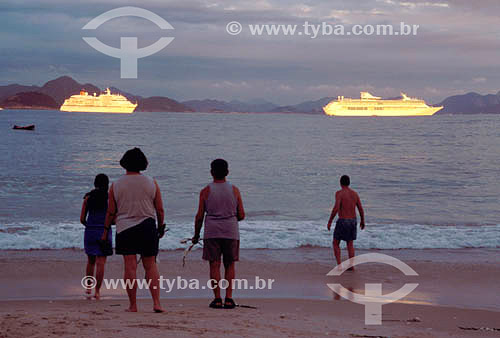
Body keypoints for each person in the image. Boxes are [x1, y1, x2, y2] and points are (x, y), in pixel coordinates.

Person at [101, 148, 166, 313]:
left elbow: (111, 212)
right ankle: (157, 303)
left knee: (130, 267)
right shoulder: (152, 182)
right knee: (150, 266)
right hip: (148, 226)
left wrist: (105, 230)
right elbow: (159, 209)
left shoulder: (116, 185)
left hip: (125, 228)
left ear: (124, 163)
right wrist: (160, 226)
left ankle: (133, 305)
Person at [192, 159, 245, 309]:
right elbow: (241, 214)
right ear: (227, 172)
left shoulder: (205, 191)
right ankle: (229, 298)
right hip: (231, 231)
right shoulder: (234, 190)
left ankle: (217, 298)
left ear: (211, 172)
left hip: (212, 232)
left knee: (214, 265)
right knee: (230, 265)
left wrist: (196, 235)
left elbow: (199, 216)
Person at [80, 173, 112, 300]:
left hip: (91, 230)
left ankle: (88, 287)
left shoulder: (88, 198)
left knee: (90, 261)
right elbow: (112, 217)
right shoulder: (109, 198)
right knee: (101, 263)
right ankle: (97, 291)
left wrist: (90, 225)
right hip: (104, 230)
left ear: (95, 183)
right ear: (107, 184)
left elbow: (82, 219)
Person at [327, 175, 365, 270]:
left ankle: (339, 265)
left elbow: (336, 208)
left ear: (340, 183)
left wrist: (330, 221)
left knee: (336, 243)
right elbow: (360, 208)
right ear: (349, 183)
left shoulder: (339, 193)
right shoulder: (354, 194)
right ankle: (351, 265)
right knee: (350, 244)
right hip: (353, 221)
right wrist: (362, 220)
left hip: (343, 220)